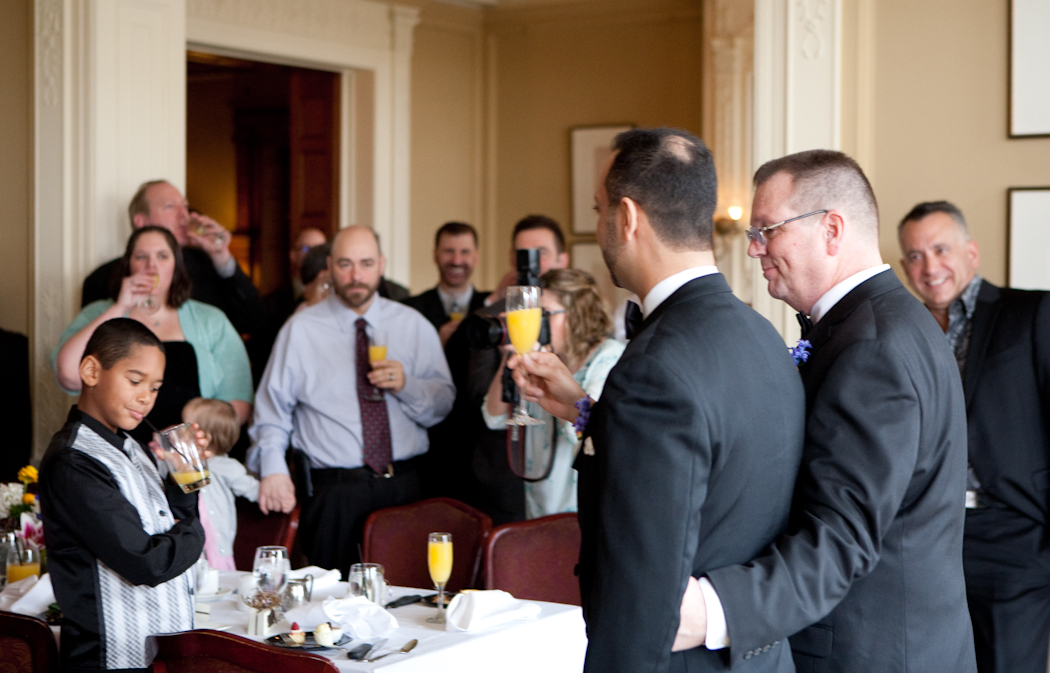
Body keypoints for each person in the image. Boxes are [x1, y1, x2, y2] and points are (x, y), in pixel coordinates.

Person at [512, 127, 806, 672]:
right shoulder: (761, 333)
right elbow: (710, 469)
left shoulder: (650, 367)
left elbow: (640, 590)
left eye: (599, 210)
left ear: (626, 217)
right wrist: (586, 411)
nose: (600, 226)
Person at [672, 152, 975, 672]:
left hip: (870, 651)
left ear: (832, 230)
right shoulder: (878, 322)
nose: (752, 249)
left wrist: (713, 609)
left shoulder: (873, 347)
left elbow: (841, 536)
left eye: (767, 229)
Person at [247, 225, 455, 578]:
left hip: (405, 489)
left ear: (381, 264)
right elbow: (271, 413)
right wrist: (274, 469)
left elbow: (443, 406)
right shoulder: (300, 330)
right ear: (328, 265)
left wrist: (407, 385)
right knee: (333, 615)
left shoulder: (413, 325)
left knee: (410, 603)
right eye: (345, 264)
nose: (356, 275)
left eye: (366, 263)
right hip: (335, 495)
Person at [898, 201, 1050, 673]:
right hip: (926, 540)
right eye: (915, 256)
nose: (929, 266)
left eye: (940, 249)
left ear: (971, 252)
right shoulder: (901, 330)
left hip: (1014, 535)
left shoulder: (1032, 312)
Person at [40, 318, 204, 672]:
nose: (146, 397)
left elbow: (165, 518)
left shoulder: (131, 445)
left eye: (155, 387)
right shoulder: (74, 462)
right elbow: (146, 561)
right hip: (109, 660)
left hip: (158, 654)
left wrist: (181, 478)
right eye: (135, 381)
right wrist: (194, 532)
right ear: (91, 371)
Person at [54, 226, 254, 446]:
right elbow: (69, 375)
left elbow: (238, 403)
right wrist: (120, 307)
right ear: (128, 265)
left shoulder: (211, 320)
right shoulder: (97, 313)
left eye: (162, 256)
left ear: (176, 266)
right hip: (112, 449)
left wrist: (187, 437)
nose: (152, 266)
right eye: (141, 257)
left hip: (188, 455)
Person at [483, 268, 623, 518]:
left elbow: (581, 432)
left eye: (544, 314)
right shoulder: (543, 360)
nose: (537, 323)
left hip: (578, 509)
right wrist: (510, 354)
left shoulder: (608, 357)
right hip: (537, 506)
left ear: (578, 314)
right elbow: (492, 417)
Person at [462, 214, 572, 524]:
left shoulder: (574, 317)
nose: (531, 264)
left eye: (541, 254)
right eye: (522, 255)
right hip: (503, 476)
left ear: (562, 260)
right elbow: (476, 397)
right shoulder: (496, 317)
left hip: (561, 483)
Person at [81, 180, 267, 338]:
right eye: (170, 206)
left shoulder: (207, 264)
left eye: (185, 206)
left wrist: (221, 257)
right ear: (141, 222)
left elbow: (255, 322)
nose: (184, 215)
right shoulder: (100, 280)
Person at [183, 397, 259, 572]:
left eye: (185, 427)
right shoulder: (186, 465)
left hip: (217, 543)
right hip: (194, 541)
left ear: (205, 438)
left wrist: (273, 494)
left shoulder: (227, 467)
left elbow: (252, 489)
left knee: (220, 581)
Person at [404, 221, 489, 346]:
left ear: (476, 257)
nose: (456, 261)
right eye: (449, 251)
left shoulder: (491, 305)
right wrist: (435, 343)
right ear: (435, 255)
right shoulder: (410, 309)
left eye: (465, 252)